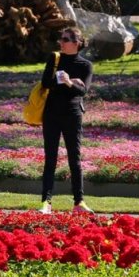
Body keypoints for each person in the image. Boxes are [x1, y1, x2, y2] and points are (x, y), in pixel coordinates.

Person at [39, 26, 95, 214]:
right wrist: (60, 80)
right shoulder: (55, 59)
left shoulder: (85, 65)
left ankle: (78, 202)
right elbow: (45, 82)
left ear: (76, 43)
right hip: (51, 114)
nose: (61, 42)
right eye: (61, 39)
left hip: (72, 114)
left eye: (65, 39)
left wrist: (70, 82)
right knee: (51, 157)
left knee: (74, 158)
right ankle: (46, 202)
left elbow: (83, 90)